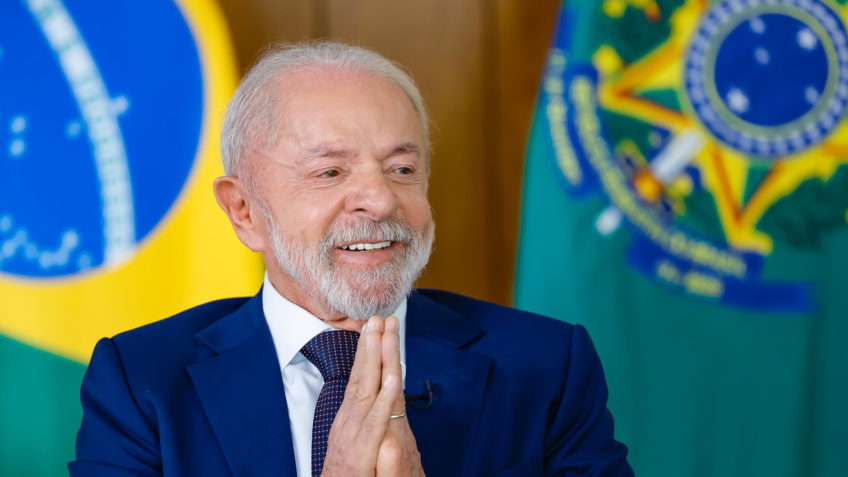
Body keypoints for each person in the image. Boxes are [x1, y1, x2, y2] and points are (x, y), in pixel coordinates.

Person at [70, 41, 633, 477]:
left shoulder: (546, 366)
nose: (381, 200)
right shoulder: (141, 382)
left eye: (402, 169)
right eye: (330, 172)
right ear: (243, 211)